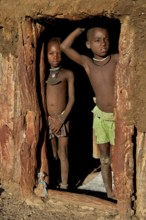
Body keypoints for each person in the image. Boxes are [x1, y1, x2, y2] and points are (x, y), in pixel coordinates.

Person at [61, 27, 119, 198]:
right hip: (100, 117)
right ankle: (109, 192)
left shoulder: (116, 59)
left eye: (106, 39)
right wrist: (79, 29)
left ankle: (122, 190)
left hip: (118, 118)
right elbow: (64, 47)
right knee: (105, 158)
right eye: (97, 40)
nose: (103, 43)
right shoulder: (88, 63)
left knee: (119, 158)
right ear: (88, 44)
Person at [46, 37, 75, 189]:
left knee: (62, 152)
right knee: (53, 153)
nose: (55, 57)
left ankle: (64, 185)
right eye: (51, 53)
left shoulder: (68, 74)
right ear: (46, 55)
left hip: (63, 119)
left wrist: (61, 119)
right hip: (49, 120)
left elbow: (72, 99)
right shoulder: (43, 74)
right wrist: (48, 119)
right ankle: (53, 182)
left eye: (58, 53)